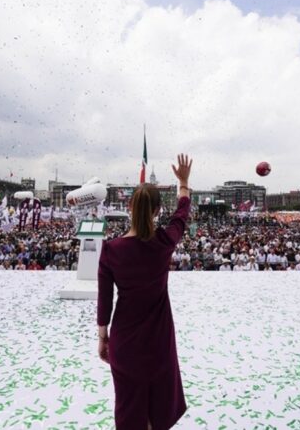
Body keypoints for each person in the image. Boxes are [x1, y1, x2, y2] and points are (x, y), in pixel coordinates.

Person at [97, 153, 192, 430]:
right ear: (157, 210)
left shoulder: (111, 250)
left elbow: (104, 301)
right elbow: (181, 217)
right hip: (158, 341)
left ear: (129, 207)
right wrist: (183, 184)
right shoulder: (164, 241)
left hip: (125, 342)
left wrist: (103, 338)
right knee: (158, 406)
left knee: (130, 407)